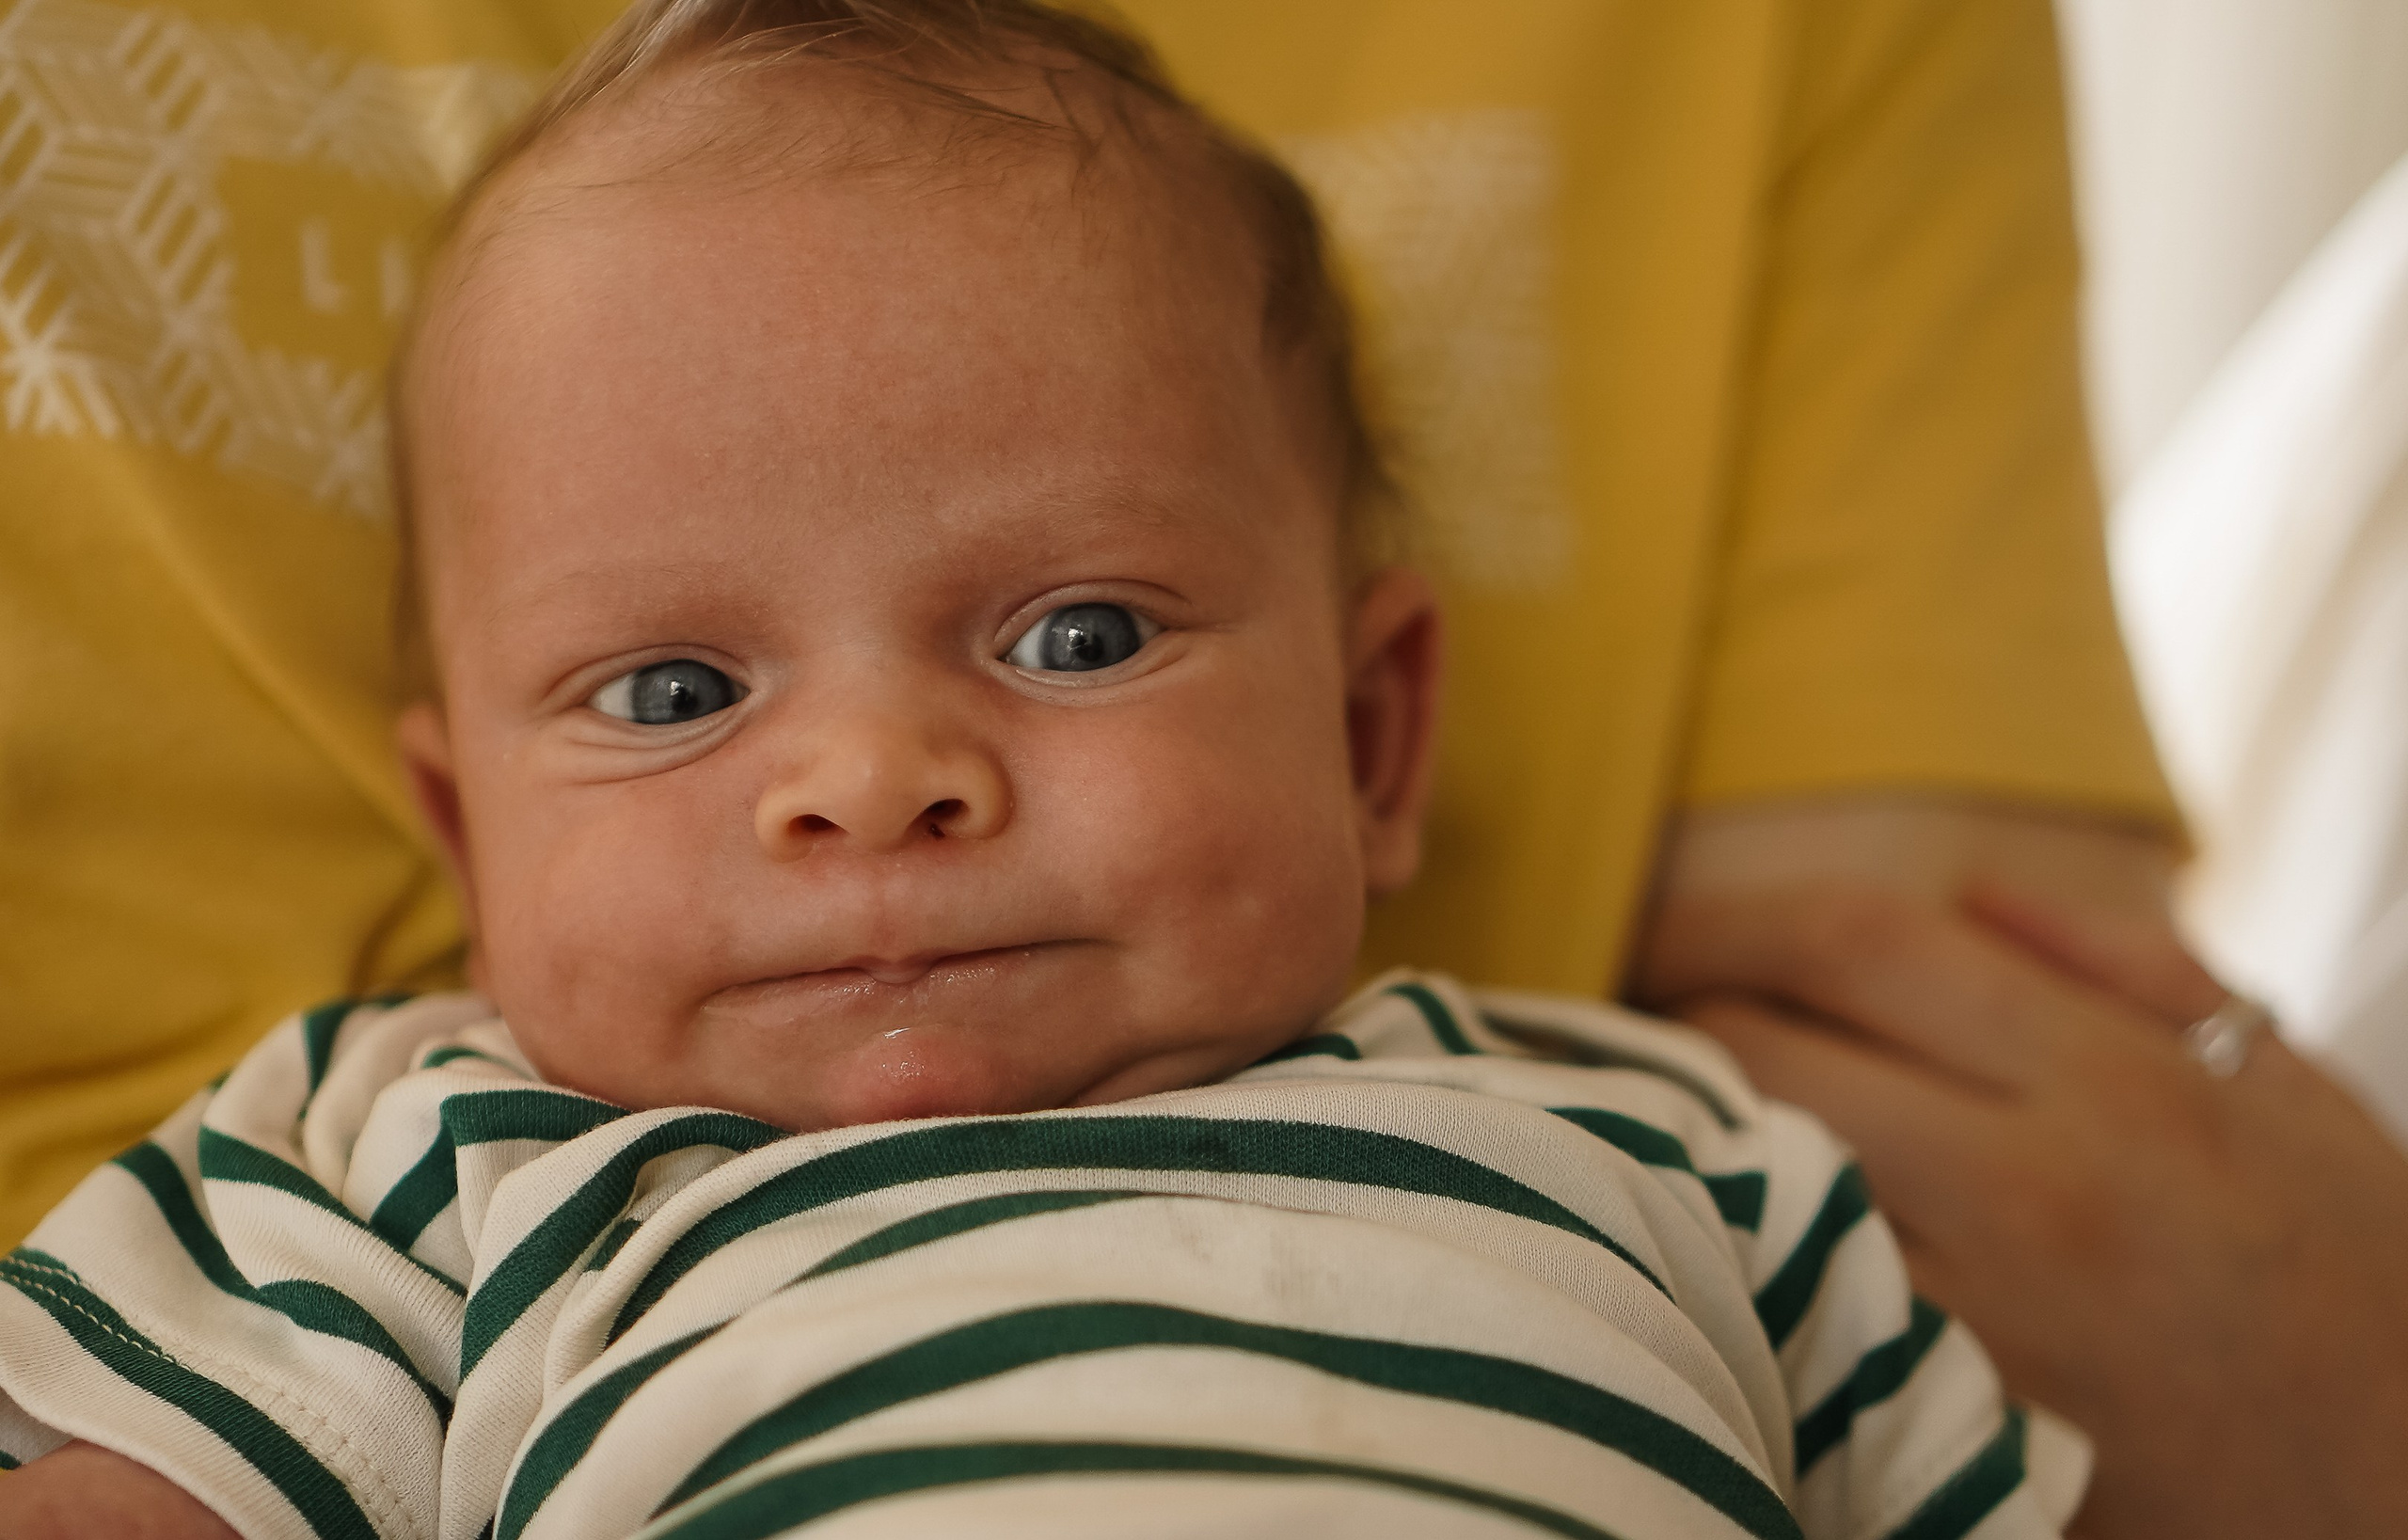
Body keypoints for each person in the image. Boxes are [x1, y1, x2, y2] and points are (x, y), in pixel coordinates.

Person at [0, 5, 2085, 1534]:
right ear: (468, 835)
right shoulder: (425, 1160)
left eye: (1073, 639)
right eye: (664, 695)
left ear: (1371, 736)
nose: (872, 779)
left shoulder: (1675, 1148)